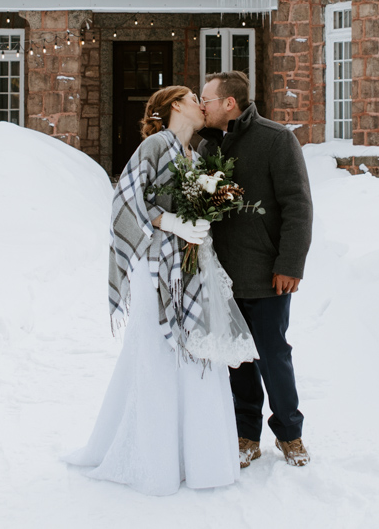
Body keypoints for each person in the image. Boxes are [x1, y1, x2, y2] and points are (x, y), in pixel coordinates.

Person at [65, 85, 258, 495]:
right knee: (156, 356)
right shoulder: (154, 145)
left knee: (191, 360)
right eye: (193, 98)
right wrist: (167, 223)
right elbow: (124, 200)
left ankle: (192, 457)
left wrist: (200, 228)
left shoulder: (196, 154)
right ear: (175, 106)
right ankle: (155, 460)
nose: (200, 104)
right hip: (155, 269)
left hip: (189, 269)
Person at [198, 70, 313, 468]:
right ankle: (245, 435)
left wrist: (289, 264)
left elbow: (298, 206)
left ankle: (290, 434)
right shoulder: (205, 147)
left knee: (272, 357)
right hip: (222, 278)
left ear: (229, 103)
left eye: (206, 99)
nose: (201, 106)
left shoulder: (276, 139)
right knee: (237, 362)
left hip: (267, 276)